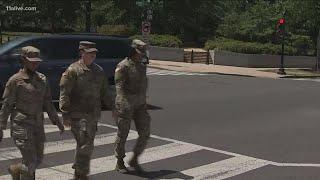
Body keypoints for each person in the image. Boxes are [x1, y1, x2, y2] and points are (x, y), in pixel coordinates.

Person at [0, 46, 64, 180]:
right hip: (21, 125)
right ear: (23, 60)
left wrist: (57, 121)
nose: (35, 63)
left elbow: (48, 102)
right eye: (31, 60)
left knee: (38, 159)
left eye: (37, 61)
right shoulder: (15, 81)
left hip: (38, 125)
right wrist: (1, 127)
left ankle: (16, 169)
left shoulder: (42, 79)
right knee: (30, 162)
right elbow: (6, 105)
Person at [59, 41, 115, 180]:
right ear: (81, 53)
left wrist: (113, 107)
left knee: (84, 144)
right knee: (86, 144)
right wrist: (65, 113)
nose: (93, 55)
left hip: (93, 116)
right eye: (90, 53)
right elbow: (64, 92)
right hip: (77, 115)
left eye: (94, 53)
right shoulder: (73, 70)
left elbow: (105, 92)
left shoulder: (99, 71)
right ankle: (81, 174)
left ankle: (78, 169)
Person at [114, 39, 151, 173]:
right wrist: (123, 106)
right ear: (132, 50)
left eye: (143, 51)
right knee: (123, 134)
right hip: (126, 105)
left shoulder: (142, 66)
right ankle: (119, 161)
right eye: (139, 51)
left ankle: (134, 158)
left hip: (140, 105)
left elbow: (143, 85)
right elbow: (119, 88)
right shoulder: (123, 66)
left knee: (145, 133)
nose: (142, 54)